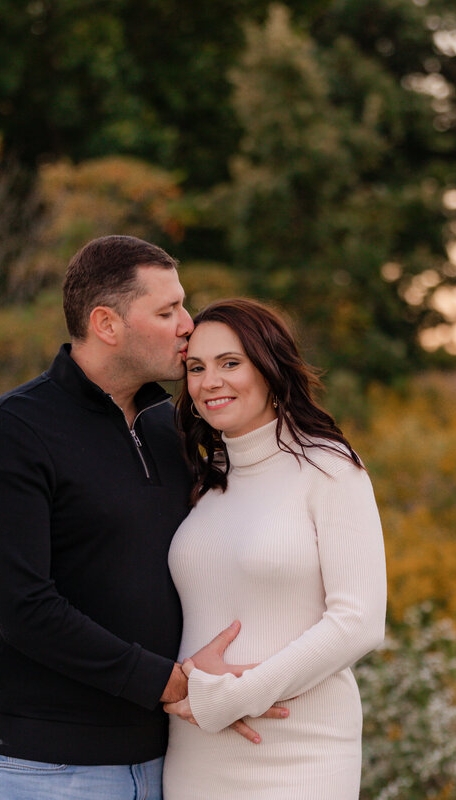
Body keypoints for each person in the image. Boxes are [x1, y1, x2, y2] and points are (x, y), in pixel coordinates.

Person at [0, 237, 280, 800]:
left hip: (168, 753)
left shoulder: (174, 428)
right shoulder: (10, 433)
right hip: (47, 763)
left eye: (184, 305)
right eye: (166, 311)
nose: (188, 324)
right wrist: (169, 682)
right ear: (106, 324)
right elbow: (24, 608)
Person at [162, 298, 387, 799]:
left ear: (269, 366)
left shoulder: (329, 468)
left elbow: (360, 619)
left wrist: (237, 696)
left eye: (230, 363)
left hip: (300, 750)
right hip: (197, 749)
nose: (209, 381)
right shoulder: (205, 480)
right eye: (196, 368)